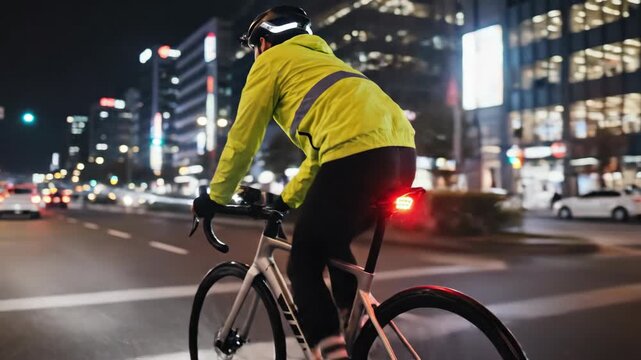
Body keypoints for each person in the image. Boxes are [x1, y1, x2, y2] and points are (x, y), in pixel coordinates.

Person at [192, 5, 416, 359]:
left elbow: (243, 137)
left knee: (304, 261)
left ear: (262, 43)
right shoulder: (329, 67)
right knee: (330, 240)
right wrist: (286, 200)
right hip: (402, 154)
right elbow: (319, 156)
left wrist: (215, 196)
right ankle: (354, 329)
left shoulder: (271, 62)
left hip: (355, 157)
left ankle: (332, 351)